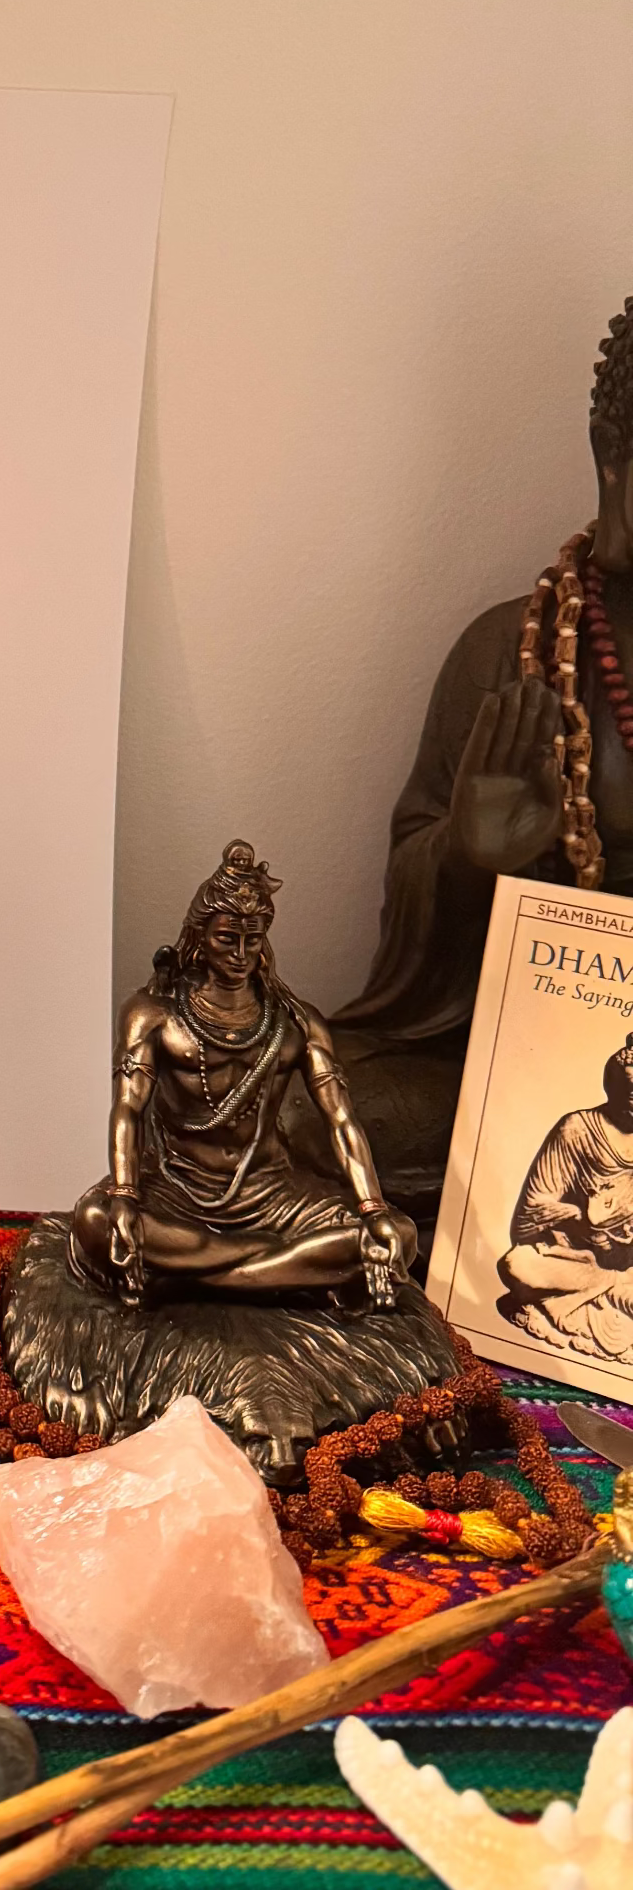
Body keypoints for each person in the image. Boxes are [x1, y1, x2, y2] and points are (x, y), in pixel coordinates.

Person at [336, 299, 633, 1209]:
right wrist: (467, 858)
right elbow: (412, 933)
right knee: (291, 1099)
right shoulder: (512, 652)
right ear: (610, 462)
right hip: (534, 1055)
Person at [72, 841, 418, 1307]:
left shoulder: (297, 1023)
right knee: (94, 1219)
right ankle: (283, 1268)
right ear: (199, 937)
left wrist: (373, 1208)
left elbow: (341, 1120)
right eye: (226, 939)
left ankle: (193, 1280)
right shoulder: (154, 1015)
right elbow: (128, 1109)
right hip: (178, 1187)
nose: (239, 954)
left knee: (399, 1235)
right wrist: (125, 1196)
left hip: (271, 1193)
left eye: (251, 940)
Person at [497, 1034, 633, 1358]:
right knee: (517, 1265)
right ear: (611, 1087)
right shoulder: (578, 1128)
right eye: (630, 1091)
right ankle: (608, 1290)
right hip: (575, 1256)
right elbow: (530, 1212)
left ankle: (611, 1288)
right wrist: (581, 1220)